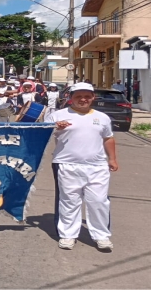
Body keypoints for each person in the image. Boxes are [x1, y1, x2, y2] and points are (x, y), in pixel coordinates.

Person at [45, 82, 118, 252]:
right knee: (70, 201)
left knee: (99, 201)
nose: (83, 99)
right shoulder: (58, 115)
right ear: (70, 98)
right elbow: (41, 134)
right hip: (66, 164)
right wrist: (54, 127)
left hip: (97, 166)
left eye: (87, 96)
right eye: (78, 96)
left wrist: (112, 159)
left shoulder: (102, 118)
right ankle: (68, 235)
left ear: (93, 97)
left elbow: (108, 138)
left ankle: (101, 236)